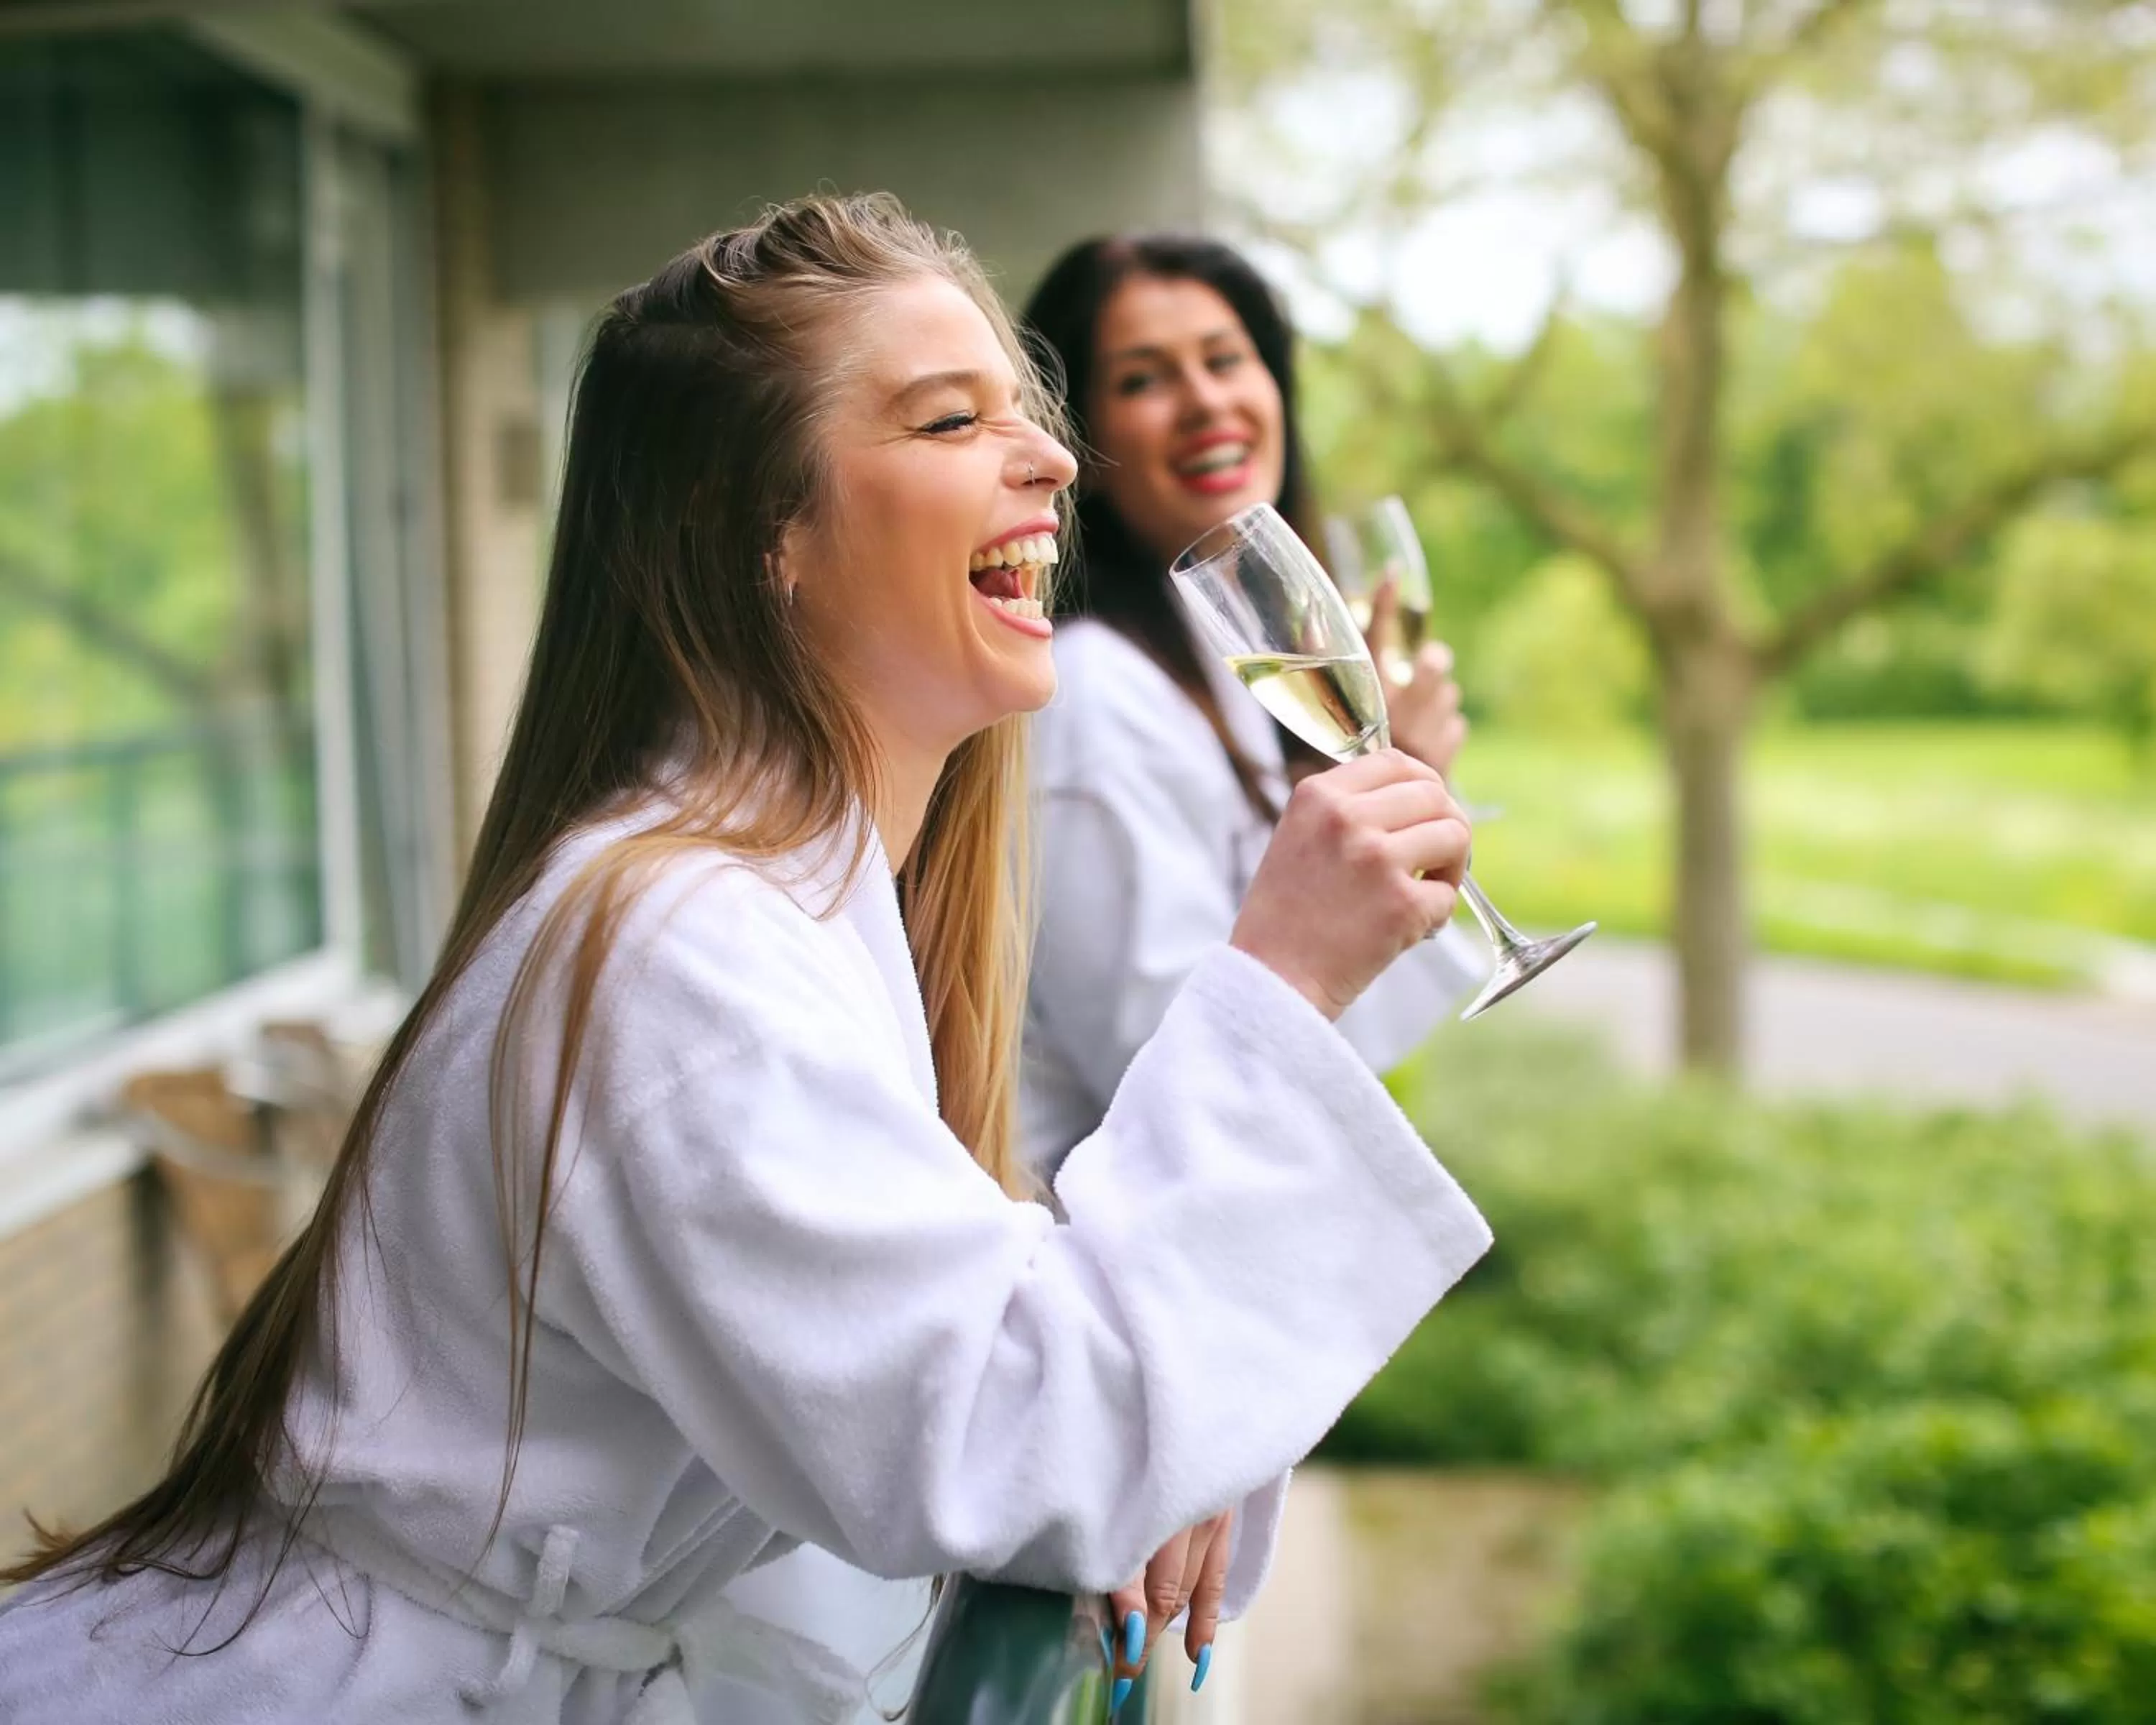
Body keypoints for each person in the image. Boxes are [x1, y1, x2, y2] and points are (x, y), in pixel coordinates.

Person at [0, 195, 1492, 1724]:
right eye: (950, 420)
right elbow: (1004, 1437)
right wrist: (1280, 978)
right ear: (762, 529)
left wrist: (1175, 1421)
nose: (1053, 462)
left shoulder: (780, 895)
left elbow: (961, 1334)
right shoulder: (681, 959)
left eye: (1025, 411)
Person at [1017, 235, 1488, 1185]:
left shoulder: (1219, 668)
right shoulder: (1091, 694)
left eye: (1227, 359)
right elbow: (1159, 1072)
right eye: (1144, 379)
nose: (1206, 401)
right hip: (1101, 1237)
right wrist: (1385, 799)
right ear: (1080, 451)